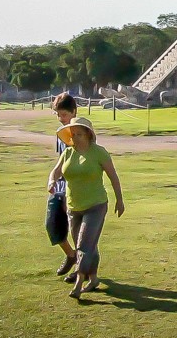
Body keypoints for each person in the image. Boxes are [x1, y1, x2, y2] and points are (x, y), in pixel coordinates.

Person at [47, 115, 124, 300]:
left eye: (79, 134)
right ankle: (94, 278)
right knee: (89, 245)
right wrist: (51, 181)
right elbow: (56, 171)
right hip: (73, 207)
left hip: (96, 204)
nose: (75, 137)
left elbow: (113, 177)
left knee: (83, 244)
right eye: (73, 134)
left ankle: (79, 282)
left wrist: (119, 200)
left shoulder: (99, 153)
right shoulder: (68, 152)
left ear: (88, 134)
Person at [46, 92, 80, 275]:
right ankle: (71, 255)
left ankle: (81, 267)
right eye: (58, 115)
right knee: (52, 223)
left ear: (74, 112)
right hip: (59, 185)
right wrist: (53, 179)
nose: (61, 119)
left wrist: (70, 192)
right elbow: (61, 161)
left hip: (74, 187)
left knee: (76, 228)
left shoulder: (81, 133)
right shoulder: (60, 134)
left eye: (64, 115)